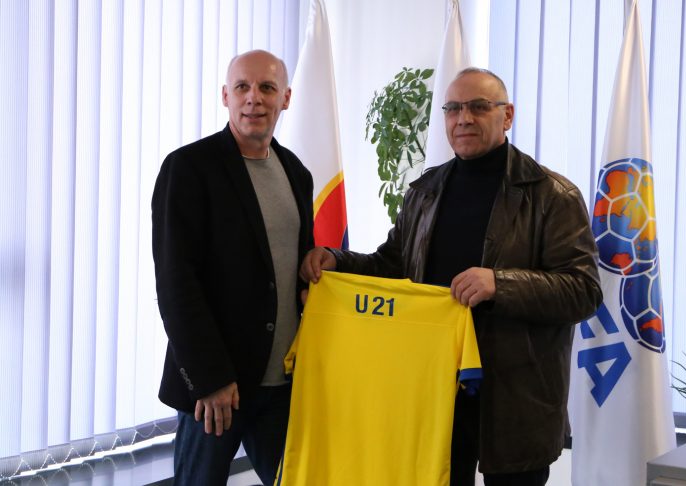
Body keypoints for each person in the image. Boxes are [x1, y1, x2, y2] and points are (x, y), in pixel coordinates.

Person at [300, 68, 602, 486]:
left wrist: (500, 284)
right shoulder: (424, 191)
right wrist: (337, 261)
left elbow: (583, 290)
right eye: (454, 108)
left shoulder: (552, 195)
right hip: (434, 391)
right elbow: (392, 266)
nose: (464, 118)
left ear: (507, 115)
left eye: (479, 107)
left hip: (517, 399)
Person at [152, 50, 314, 486]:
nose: (253, 98)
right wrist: (209, 378)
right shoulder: (189, 168)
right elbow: (176, 284)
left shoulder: (296, 172)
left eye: (267, 88)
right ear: (226, 96)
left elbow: (295, 269)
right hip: (218, 388)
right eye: (242, 87)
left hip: (281, 383)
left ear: (286, 98)